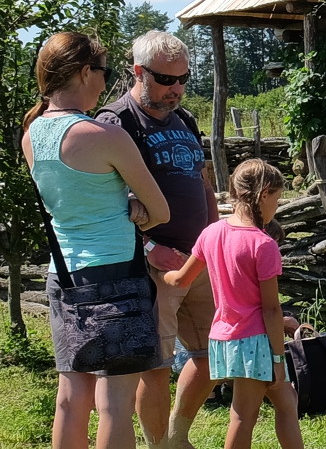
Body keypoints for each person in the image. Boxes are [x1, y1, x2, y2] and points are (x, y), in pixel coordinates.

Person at [22, 32, 171, 449]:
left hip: (64, 276)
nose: (106, 84)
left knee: (70, 399)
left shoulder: (32, 134)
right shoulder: (103, 135)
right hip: (116, 277)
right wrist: (133, 208)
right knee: (115, 405)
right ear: (85, 71)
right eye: (103, 72)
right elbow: (160, 211)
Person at [96, 30, 217, 449]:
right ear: (138, 72)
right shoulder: (116, 123)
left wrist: (214, 239)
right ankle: (157, 444)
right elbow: (105, 205)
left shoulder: (184, 120)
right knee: (157, 367)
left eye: (184, 78)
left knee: (212, 355)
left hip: (199, 259)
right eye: (166, 80)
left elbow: (204, 184)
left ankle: (177, 435)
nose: (177, 89)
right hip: (154, 266)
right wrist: (149, 248)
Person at [164, 159, 303, 449]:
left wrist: (164, 273)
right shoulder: (263, 245)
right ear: (264, 193)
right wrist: (278, 360)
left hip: (223, 338)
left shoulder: (211, 233)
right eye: (276, 199)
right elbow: (271, 309)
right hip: (255, 343)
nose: (275, 207)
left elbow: (180, 280)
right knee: (243, 416)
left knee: (287, 401)